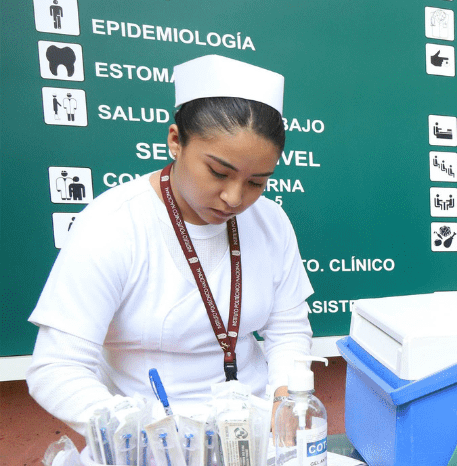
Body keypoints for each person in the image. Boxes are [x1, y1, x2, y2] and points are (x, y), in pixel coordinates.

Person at [28, 54, 314, 434]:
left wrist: (286, 403)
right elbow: (57, 368)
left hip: (255, 435)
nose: (234, 198)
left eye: (256, 182)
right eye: (218, 172)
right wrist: (144, 436)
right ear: (176, 141)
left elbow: (288, 330)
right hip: (151, 441)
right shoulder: (113, 224)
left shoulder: (270, 222)